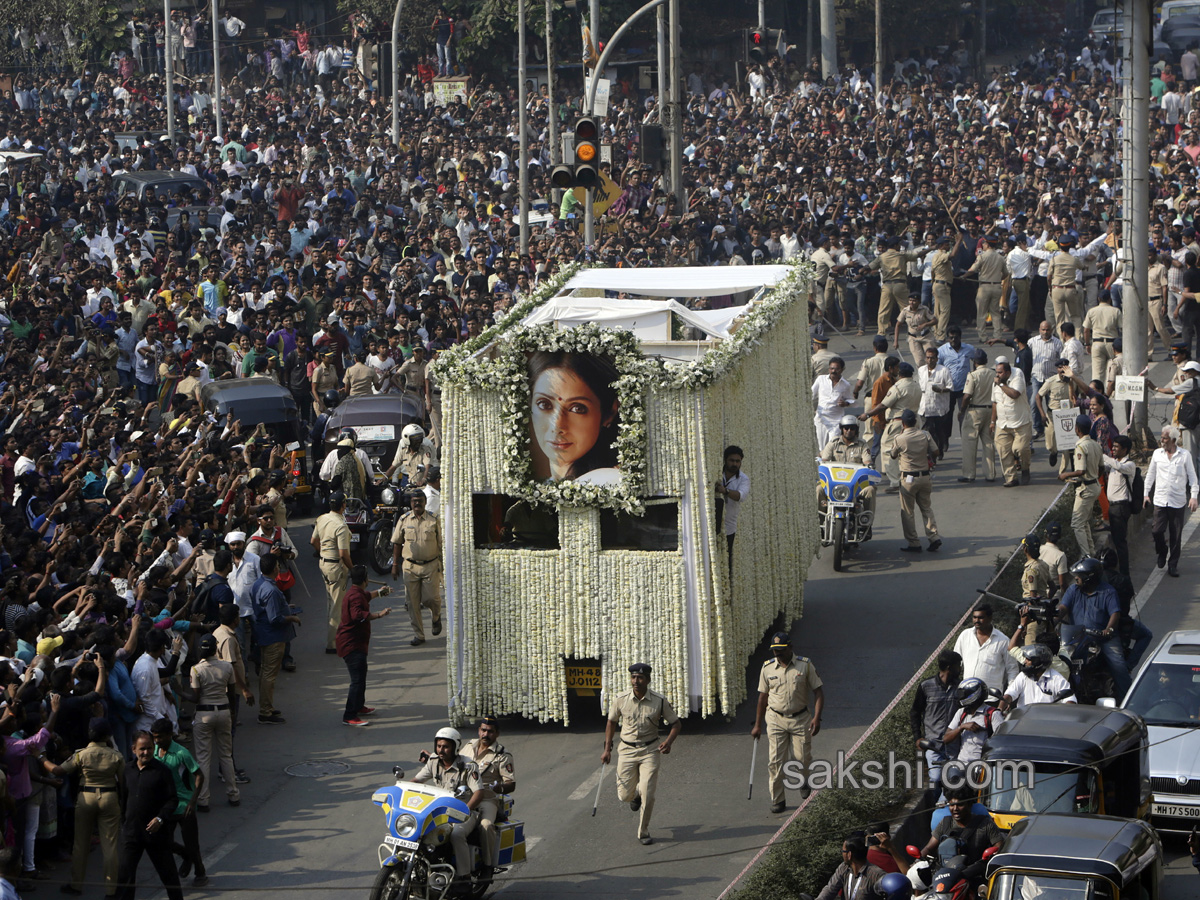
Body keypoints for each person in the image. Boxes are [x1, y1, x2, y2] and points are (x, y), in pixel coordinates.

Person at [601, 663, 682, 844]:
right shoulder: (621, 699)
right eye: (633, 678)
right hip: (627, 750)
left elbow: (676, 724)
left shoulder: (659, 701)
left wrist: (668, 743)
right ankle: (635, 794)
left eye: (640, 678)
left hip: (650, 751)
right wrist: (607, 749)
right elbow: (611, 722)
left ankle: (643, 831)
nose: (636, 681)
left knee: (648, 793)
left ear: (648, 680)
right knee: (624, 796)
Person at [751, 632, 824, 813]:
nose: (778, 654)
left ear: (790, 648)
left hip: (801, 719)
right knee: (775, 761)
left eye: (781, 650)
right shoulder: (767, 668)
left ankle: (804, 780)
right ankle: (778, 800)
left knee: (802, 758)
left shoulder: (805, 665)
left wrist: (817, 717)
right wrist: (758, 725)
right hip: (776, 719)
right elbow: (762, 698)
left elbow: (818, 692)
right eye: (775, 651)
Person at [52, 718, 124, 897]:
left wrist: (38, 756)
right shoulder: (116, 756)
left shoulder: (81, 754)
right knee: (110, 846)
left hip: (85, 797)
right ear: (107, 735)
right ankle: (111, 890)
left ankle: (76, 885)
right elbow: (123, 782)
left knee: (80, 844)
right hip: (109, 796)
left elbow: (58, 771)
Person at [527, 350, 621, 485]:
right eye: (544, 404)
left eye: (577, 408)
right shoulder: (550, 485)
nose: (557, 425)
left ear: (609, 413)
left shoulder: (609, 483)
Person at [410, 727, 484, 884]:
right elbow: (416, 781)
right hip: (440, 812)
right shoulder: (434, 762)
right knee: (416, 830)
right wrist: (402, 789)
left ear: (455, 747)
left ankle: (464, 877)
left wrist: (466, 810)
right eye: (438, 746)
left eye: (445, 747)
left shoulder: (468, 766)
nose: (441, 750)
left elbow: (479, 793)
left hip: (465, 812)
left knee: (457, 835)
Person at [116, 732, 183, 900]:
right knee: (125, 877)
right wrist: (124, 822)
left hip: (156, 834)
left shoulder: (162, 771)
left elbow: (172, 799)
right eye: (142, 749)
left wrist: (160, 818)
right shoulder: (127, 770)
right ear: (133, 749)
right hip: (132, 833)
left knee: (169, 876)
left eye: (149, 749)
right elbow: (123, 797)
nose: (145, 752)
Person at [189, 632, 249, 811]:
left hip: (204, 714)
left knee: (203, 758)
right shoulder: (226, 667)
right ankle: (233, 794)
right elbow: (231, 693)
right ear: (216, 648)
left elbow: (196, 697)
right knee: (226, 755)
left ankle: (203, 799)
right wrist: (232, 713)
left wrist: (178, 690)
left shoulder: (196, 670)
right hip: (223, 711)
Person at [1056, 557, 1130, 697]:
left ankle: (1128, 699)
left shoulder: (1108, 592)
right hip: (1076, 638)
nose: (1076, 579)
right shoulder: (1073, 590)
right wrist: (1054, 616)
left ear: (1090, 578)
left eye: (1079, 576)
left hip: (1103, 638)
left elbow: (1115, 613)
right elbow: (1063, 607)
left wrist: (1108, 630)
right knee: (1057, 662)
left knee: (1118, 665)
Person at [149, 718, 206, 888]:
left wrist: (192, 801)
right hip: (166, 804)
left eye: (159, 737)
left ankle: (200, 871)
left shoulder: (181, 753)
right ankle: (185, 855)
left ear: (170, 735)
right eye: (154, 737)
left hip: (183, 803)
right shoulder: (155, 751)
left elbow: (199, 775)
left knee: (191, 841)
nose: (157, 740)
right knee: (163, 841)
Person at [336, 564, 392, 726]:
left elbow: (367, 596)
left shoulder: (356, 592)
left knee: (361, 675)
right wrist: (379, 615)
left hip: (357, 643)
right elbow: (357, 615)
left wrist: (381, 593)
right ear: (365, 579)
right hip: (351, 645)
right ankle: (349, 715)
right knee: (357, 680)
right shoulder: (355, 597)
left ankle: (359, 705)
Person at [249, 554, 300, 725]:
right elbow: (275, 618)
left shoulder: (259, 584)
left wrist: (286, 607)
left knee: (266, 672)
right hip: (273, 636)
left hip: (264, 633)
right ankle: (265, 711)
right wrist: (291, 618)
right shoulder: (270, 590)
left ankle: (267, 706)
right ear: (274, 569)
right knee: (269, 675)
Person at [460, 717, 516, 870]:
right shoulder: (469, 746)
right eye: (483, 730)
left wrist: (499, 788)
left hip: (486, 799)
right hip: (461, 795)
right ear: (479, 731)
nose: (486, 734)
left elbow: (511, 783)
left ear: (497, 734)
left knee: (486, 825)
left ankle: (488, 865)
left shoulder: (503, 755)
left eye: (490, 731)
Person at [1145, 424, 1199, 576]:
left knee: (1176, 535)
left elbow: (1193, 477)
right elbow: (1150, 475)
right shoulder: (1157, 454)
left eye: (1165, 438)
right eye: (1161, 437)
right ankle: (1162, 551)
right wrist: (1145, 494)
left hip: (1177, 502)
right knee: (1156, 531)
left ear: (1173, 440)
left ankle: (1173, 564)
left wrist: (1193, 496)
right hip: (1160, 500)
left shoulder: (1184, 455)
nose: (1162, 441)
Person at [392, 491, 443, 645]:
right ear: (411, 503)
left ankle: (436, 617)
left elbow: (441, 544)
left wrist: (443, 565)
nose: (417, 504)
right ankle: (419, 635)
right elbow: (396, 543)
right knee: (412, 603)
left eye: (420, 501)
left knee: (431, 598)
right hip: (410, 566)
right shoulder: (404, 520)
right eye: (414, 501)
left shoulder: (434, 520)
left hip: (430, 566)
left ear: (425, 501)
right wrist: (394, 564)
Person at [863, 361, 920, 493]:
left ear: (900, 374)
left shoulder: (898, 387)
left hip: (898, 422)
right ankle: (910, 479)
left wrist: (867, 414)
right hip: (915, 421)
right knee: (909, 451)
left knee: (888, 448)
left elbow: (883, 405)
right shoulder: (916, 386)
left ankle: (895, 482)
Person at [909, 649, 961, 793]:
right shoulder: (926, 686)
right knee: (936, 778)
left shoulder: (961, 687)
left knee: (954, 779)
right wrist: (917, 737)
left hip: (954, 746)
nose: (960, 669)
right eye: (958, 665)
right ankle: (934, 810)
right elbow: (915, 712)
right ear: (949, 668)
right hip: (933, 745)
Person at [891, 409, 941, 553]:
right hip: (925, 477)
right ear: (915, 421)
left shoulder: (899, 438)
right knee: (926, 508)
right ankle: (933, 536)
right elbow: (936, 451)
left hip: (908, 478)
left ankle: (914, 542)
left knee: (908, 512)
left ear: (903, 423)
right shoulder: (925, 435)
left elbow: (893, 455)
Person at [311, 490, 352, 653]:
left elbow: (313, 541)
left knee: (331, 602)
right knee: (337, 606)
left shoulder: (322, 519)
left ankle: (334, 638)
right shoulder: (340, 525)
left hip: (324, 563)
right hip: (336, 566)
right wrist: (353, 569)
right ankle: (332, 643)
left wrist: (324, 553)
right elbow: (343, 553)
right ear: (343, 505)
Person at [1058, 414, 1102, 557]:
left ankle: (1085, 555)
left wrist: (1065, 475)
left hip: (1086, 488)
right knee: (1084, 522)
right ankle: (1091, 552)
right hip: (1094, 485)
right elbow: (1101, 468)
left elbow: (1080, 470)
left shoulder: (1081, 447)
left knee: (1077, 523)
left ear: (1077, 429)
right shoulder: (1095, 444)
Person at [818, 417, 875, 521]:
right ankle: (820, 520)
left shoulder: (862, 445)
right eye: (846, 428)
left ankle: (866, 520)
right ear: (842, 429)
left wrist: (869, 465)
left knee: (870, 490)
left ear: (856, 430)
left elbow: (867, 461)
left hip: (854, 485)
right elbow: (824, 460)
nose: (849, 431)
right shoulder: (833, 443)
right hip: (833, 483)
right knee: (818, 489)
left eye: (852, 428)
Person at [953, 603, 1018, 693]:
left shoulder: (1003, 641)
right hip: (967, 696)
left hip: (991, 698)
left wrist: (1010, 694)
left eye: (981, 618)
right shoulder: (965, 635)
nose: (977, 621)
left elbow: (1012, 669)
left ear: (990, 618)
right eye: (974, 617)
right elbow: (955, 662)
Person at [991, 355, 1033, 487]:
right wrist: (992, 422)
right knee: (1003, 450)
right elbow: (995, 403)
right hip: (1002, 423)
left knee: (1019, 449)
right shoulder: (996, 382)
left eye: (1000, 372)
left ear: (1008, 372)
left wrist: (1001, 384)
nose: (997, 375)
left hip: (1020, 422)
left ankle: (1025, 469)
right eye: (996, 372)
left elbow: (1015, 395)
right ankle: (1011, 478)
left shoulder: (1017, 375)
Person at [1001, 643, 1076, 711]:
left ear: (1038, 663)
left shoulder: (1056, 678)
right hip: (1024, 720)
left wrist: (1066, 711)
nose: (1025, 661)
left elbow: (1070, 699)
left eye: (1028, 659)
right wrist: (1000, 707)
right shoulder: (1023, 676)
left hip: (1047, 722)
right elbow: (1010, 693)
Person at [958, 349, 997, 482]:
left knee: (969, 443)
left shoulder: (973, 375)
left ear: (974, 362)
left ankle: (969, 474)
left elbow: (967, 395)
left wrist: (962, 410)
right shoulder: (993, 373)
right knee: (988, 443)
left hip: (975, 410)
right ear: (986, 361)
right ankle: (990, 473)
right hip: (990, 409)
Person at [1102, 435, 1137, 577]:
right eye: (1113, 446)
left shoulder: (1129, 465)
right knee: (1116, 540)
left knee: (1120, 542)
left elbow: (1118, 466)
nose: (1113, 449)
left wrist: (1103, 455)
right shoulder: (1114, 463)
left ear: (1125, 449)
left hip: (1121, 507)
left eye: (1116, 447)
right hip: (1113, 507)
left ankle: (1124, 573)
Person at [814, 832, 886, 900]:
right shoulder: (844, 868)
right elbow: (830, 889)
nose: (842, 854)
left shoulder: (876, 875)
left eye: (843, 851)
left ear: (849, 855)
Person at [1036, 358, 1075, 471]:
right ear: (1056, 369)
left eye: (1064, 368)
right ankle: (1053, 452)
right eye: (1059, 368)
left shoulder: (1073, 380)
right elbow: (1038, 396)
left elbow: (1080, 395)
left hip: (1067, 416)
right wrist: (1042, 414)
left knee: (1066, 446)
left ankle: (1062, 472)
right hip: (1052, 415)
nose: (1062, 370)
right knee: (1050, 444)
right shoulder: (1051, 381)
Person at [943, 678, 992, 767]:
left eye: (963, 694)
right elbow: (946, 738)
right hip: (961, 764)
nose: (961, 697)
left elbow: (1001, 741)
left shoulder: (992, 714)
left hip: (982, 766)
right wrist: (961, 727)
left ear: (974, 695)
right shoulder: (961, 712)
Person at [715, 445, 749, 571]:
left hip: (729, 527)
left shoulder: (743, 479)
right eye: (732, 460)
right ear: (725, 460)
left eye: (737, 461)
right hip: (711, 524)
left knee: (726, 560)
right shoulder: (717, 472)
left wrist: (726, 491)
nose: (735, 464)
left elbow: (741, 496)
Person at [812, 357, 855, 448]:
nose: (833, 371)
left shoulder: (845, 385)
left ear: (842, 370)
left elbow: (850, 400)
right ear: (829, 369)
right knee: (822, 447)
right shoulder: (821, 379)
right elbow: (811, 395)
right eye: (831, 368)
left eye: (836, 369)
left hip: (835, 421)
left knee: (833, 446)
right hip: (821, 419)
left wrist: (845, 403)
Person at [917, 346, 953, 454]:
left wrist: (941, 390)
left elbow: (950, 387)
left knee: (939, 431)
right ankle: (928, 454)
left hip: (939, 408)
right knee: (926, 432)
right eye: (928, 358)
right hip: (924, 407)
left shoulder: (943, 370)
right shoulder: (921, 370)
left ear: (937, 359)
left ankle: (939, 450)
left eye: (932, 358)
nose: (929, 360)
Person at [895, 294, 936, 367]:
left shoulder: (924, 309)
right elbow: (898, 325)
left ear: (919, 302)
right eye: (910, 300)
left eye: (914, 301)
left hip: (926, 337)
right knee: (919, 362)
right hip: (913, 338)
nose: (911, 302)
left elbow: (935, 320)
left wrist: (925, 324)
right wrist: (896, 341)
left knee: (931, 358)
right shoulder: (905, 311)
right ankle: (922, 377)